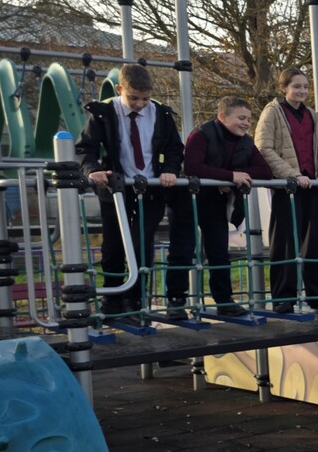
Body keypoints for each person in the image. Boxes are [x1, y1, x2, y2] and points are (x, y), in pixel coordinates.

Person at [76, 63, 193, 321]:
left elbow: (175, 148)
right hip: (116, 188)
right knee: (113, 245)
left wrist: (170, 169)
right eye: (134, 98)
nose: (140, 104)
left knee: (142, 242)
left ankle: (136, 300)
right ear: (120, 90)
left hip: (150, 188)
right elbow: (85, 147)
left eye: (145, 99)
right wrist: (93, 169)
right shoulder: (104, 112)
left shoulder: (161, 114)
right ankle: (112, 299)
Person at [180, 96, 274, 316]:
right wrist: (228, 176)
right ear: (222, 117)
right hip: (188, 200)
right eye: (241, 118)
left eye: (249, 119)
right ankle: (177, 301)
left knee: (219, 252)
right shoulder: (201, 135)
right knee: (183, 251)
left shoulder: (246, 142)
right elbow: (192, 166)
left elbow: (265, 171)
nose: (246, 123)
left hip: (216, 203)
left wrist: (229, 176)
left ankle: (224, 300)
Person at [255, 67, 318, 310]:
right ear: (284, 88)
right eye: (296, 86)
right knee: (285, 242)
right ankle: (283, 297)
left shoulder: (314, 116)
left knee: (314, 241)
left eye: (305, 87)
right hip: (287, 186)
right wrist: (292, 174)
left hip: (310, 185)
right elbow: (264, 148)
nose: (302, 91)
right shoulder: (272, 112)